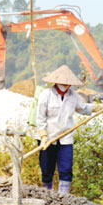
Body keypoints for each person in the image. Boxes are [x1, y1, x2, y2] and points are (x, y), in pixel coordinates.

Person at [35, 65, 95, 194]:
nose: (66, 86)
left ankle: (63, 198)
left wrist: (102, 106)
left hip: (65, 137)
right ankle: (47, 195)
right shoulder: (46, 95)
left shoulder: (73, 96)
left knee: (66, 169)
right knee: (46, 169)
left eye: (68, 84)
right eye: (64, 83)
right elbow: (40, 118)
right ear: (57, 82)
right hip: (48, 137)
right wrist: (44, 137)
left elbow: (84, 108)